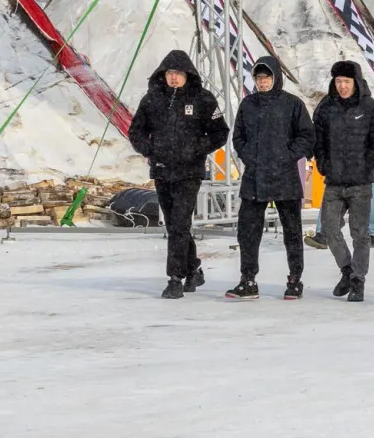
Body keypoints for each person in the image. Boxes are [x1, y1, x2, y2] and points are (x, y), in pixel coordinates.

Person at [128, 49, 229, 299]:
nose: (174, 78)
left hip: (189, 172)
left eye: (179, 73)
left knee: (180, 224)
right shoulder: (151, 99)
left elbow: (220, 132)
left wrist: (197, 148)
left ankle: (175, 277)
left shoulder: (202, 99)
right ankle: (193, 269)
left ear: (188, 74)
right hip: (162, 171)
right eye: (170, 73)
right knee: (175, 225)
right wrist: (149, 149)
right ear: (163, 74)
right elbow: (135, 131)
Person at [226, 57, 315, 300]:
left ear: (276, 78)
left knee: (292, 231)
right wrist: (249, 157)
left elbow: (307, 136)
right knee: (248, 231)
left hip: (285, 178)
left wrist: (286, 156)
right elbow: (238, 137)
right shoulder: (248, 104)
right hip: (254, 178)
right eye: (258, 77)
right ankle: (248, 280)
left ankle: (295, 279)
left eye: (267, 77)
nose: (263, 81)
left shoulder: (292, 104)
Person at [309, 60, 374, 303]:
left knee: (360, 234)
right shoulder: (325, 107)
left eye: (347, 81)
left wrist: (364, 166)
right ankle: (347, 271)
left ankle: (358, 280)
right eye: (338, 81)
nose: (342, 86)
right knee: (330, 230)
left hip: (361, 183)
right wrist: (323, 164)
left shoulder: (371, 107)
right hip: (334, 181)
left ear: (356, 82)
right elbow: (317, 140)